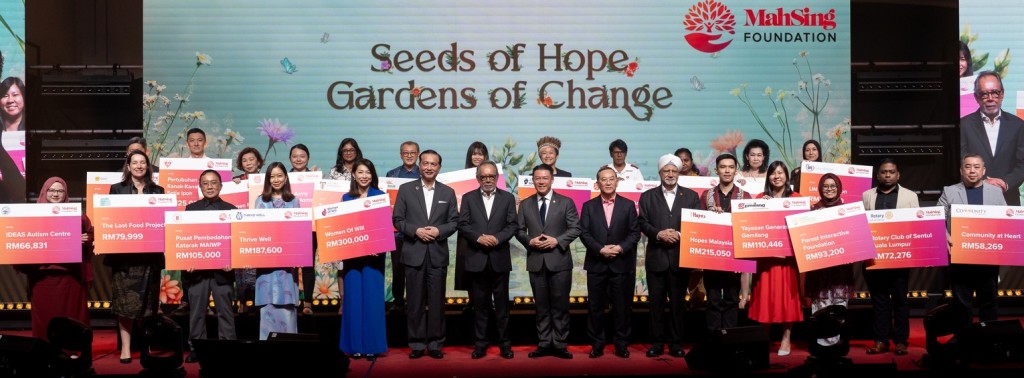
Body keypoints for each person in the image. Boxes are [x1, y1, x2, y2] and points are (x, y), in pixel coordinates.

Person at [392, 150, 458, 359]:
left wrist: (440, 231)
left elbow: (454, 222)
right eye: (426, 163)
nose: (429, 167)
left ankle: (436, 343)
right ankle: (417, 344)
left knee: (438, 302)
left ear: (439, 167)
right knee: (414, 301)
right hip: (413, 253)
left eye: (434, 164)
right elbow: (397, 219)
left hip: (437, 254)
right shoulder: (405, 189)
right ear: (420, 165)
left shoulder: (447, 192)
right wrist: (415, 230)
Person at [516, 164, 581, 359]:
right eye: (538, 178)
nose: (541, 181)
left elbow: (575, 228)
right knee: (541, 306)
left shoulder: (566, 202)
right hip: (536, 261)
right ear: (533, 180)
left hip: (560, 262)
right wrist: (529, 241)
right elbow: (518, 230)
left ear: (552, 179)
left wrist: (557, 240)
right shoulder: (526, 204)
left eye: (545, 178)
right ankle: (544, 343)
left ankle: (560, 344)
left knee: (560, 305)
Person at [639, 154, 700, 358]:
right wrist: (658, 234)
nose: (670, 174)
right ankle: (656, 343)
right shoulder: (647, 196)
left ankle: (675, 343)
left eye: (674, 171)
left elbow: (696, 223)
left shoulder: (691, 196)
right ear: (660, 173)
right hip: (656, 259)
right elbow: (643, 223)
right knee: (655, 305)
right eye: (667, 170)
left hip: (679, 259)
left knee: (677, 305)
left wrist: (679, 234)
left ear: (679, 172)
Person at [107, 150, 165, 363]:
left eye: (143, 162)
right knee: (125, 306)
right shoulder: (116, 190)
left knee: (148, 306)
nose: (139, 166)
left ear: (147, 166)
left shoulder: (158, 191)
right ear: (128, 166)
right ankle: (126, 348)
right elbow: (110, 221)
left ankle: (146, 346)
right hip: (125, 260)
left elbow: (162, 223)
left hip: (149, 259)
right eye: (135, 162)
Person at [17, 177, 93, 339]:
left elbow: (90, 234)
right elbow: (23, 238)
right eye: (52, 190)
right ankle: (45, 352)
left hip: (70, 276)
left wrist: (84, 239)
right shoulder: (30, 215)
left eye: (60, 190)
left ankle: (73, 350)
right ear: (44, 192)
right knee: (44, 315)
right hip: (42, 276)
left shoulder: (78, 216)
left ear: (65, 193)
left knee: (72, 314)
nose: (56, 194)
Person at [458, 160, 518, 360]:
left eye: (491, 176)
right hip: (477, 259)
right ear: (477, 178)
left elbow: (512, 225)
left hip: (499, 259)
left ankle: (505, 345)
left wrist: (497, 238)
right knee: (480, 308)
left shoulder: (508, 198)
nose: (487, 180)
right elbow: (463, 225)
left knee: (502, 308)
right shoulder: (467, 198)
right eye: (483, 176)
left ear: (497, 177)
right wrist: (478, 238)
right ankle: (480, 345)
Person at [937, 154, 1005, 327]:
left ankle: (989, 342)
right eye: (968, 166)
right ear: (961, 170)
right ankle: (964, 343)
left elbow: (1005, 220)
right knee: (961, 304)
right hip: (960, 257)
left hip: (988, 258)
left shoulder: (996, 192)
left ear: (983, 170)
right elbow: (936, 219)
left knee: (989, 302)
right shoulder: (950, 191)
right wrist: (945, 235)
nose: (972, 170)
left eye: (976, 167)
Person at [580, 166, 640, 359]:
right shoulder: (588, 206)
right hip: (597, 264)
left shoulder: (628, 205)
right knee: (595, 307)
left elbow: (634, 233)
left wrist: (620, 248)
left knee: (622, 307)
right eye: (603, 180)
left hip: (621, 264)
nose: (607, 182)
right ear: (597, 184)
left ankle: (621, 344)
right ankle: (597, 344)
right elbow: (584, 233)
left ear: (617, 181)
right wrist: (600, 249)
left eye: (611, 179)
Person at [861, 158, 919, 356]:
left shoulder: (910, 196)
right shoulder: (866, 195)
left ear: (898, 175)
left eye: (891, 172)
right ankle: (881, 341)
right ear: (878, 175)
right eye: (884, 172)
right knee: (879, 301)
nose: (887, 175)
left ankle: (901, 341)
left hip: (900, 259)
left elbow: (916, 228)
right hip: (874, 259)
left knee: (901, 301)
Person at [747, 161, 803, 356]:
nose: (776, 176)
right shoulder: (760, 199)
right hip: (766, 261)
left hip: (787, 261)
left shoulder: (796, 198)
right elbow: (751, 229)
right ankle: (763, 339)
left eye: (780, 173)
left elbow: (802, 228)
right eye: (773, 173)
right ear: (768, 177)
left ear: (787, 176)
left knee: (787, 299)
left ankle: (786, 339)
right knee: (765, 299)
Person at [183, 170, 237, 363]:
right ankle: (197, 348)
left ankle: (228, 347)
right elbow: (185, 240)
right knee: (197, 312)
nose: (210, 186)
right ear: (200, 186)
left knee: (225, 312)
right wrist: (186, 260)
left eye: (214, 183)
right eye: (205, 183)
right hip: (197, 273)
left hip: (223, 272)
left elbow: (235, 242)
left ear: (221, 186)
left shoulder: (232, 210)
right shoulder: (190, 210)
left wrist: (233, 261)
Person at [338, 159, 388, 359]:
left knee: (373, 301)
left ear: (372, 174)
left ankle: (372, 346)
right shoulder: (346, 198)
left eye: (368, 172)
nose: (364, 175)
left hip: (374, 258)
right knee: (353, 301)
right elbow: (342, 227)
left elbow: (384, 228)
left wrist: (379, 245)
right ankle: (355, 346)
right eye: (360, 172)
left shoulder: (380, 196)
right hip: (352, 257)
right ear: (354, 175)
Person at [699, 153, 751, 332]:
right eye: (723, 167)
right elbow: (700, 226)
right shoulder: (707, 196)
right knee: (712, 301)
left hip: (735, 258)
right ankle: (713, 341)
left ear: (736, 170)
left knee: (731, 300)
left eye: (731, 167)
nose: (727, 170)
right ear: (716, 170)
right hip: (713, 257)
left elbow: (749, 228)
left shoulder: (746, 196)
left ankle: (730, 341)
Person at [804, 173, 855, 349]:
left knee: (839, 304)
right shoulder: (811, 211)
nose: (829, 189)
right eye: (826, 186)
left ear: (839, 188)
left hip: (841, 269)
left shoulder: (849, 211)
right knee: (821, 304)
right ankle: (821, 343)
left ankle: (837, 341)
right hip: (819, 269)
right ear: (820, 188)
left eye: (833, 186)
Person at [959, 70, 1024, 206]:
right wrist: (982, 183)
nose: (990, 98)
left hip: (1008, 198)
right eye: (984, 94)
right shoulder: (963, 125)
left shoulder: (1018, 125)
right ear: (976, 97)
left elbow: (1022, 164)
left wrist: (1005, 183)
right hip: (972, 197)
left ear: (1002, 94)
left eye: (995, 92)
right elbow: (960, 160)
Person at [253, 161, 301, 340]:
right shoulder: (261, 201)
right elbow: (255, 232)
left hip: (286, 270)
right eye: (272, 176)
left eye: (279, 175)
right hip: (266, 269)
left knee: (287, 309)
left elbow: (299, 233)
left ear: (286, 177)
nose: (276, 179)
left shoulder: (294, 201)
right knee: (267, 311)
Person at [385, 141, 421, 313]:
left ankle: (418, 303)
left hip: (418, 231)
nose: (409, 155)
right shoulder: (391, 174)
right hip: (397, 232)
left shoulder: (425, 173)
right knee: (398, 270)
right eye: (405, 152)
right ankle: (398, 301)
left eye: (412, 152)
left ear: (418, 154)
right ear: (400, 154)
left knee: (417, 270)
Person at [455, 142, 489, 297]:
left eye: (480, 153)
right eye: (474, 153)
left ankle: (488, 303)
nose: (477, 157)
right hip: (467, 229)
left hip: (489, 228)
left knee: (489, 268)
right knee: (467, 268)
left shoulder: (494, 176)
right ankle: (472, 303)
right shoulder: (459, 178)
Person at [287, 143, 318, 316]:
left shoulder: (316, 178)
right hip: (289, 227)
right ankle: (290, 300)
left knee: (308, 265)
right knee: (288, 265)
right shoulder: (283, 177)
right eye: (294, 156)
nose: (298, 159)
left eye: (302, 156)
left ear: (308, 158)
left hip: (310, 226)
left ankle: (307, 302)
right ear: (290, 159)